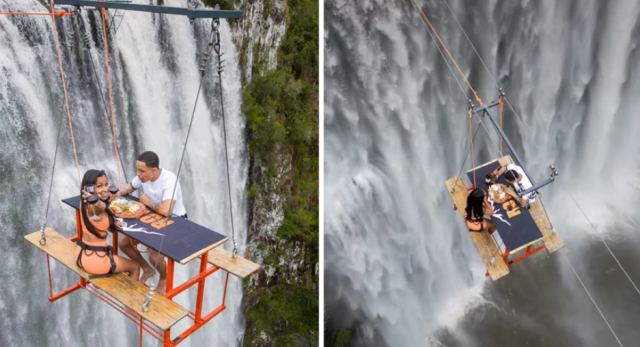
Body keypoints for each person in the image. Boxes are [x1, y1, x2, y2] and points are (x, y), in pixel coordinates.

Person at [117, 151, 187, 294]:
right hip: (152, 217)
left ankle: (163, 278)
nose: (138, 174)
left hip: (176, 222)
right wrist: (115, 194)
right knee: (123, 244)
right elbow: (130, 187)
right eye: (137, 170)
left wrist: (148, 202)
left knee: (154, 255)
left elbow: (166, 211)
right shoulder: (142, 177)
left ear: (154, 171)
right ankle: (147, 269)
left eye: (142, 171)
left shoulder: (169, 180)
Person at [76, 169, 140, 280]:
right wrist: (98, 202)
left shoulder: (83, 202)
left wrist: (107, 202)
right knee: (135, 267)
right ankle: (128, 297)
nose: (105, 189)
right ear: (89, 189)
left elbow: (102, 214)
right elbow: (100, 207)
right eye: (99, 186)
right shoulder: (93, 206)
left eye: (106, 184)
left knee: (111, 248)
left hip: (81, 254)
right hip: (95, 261)